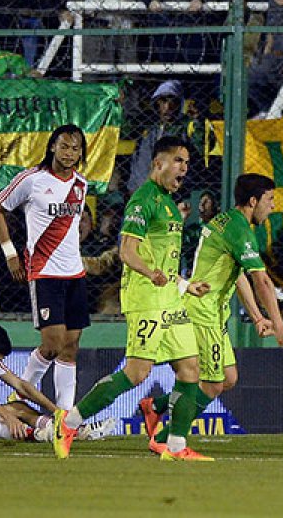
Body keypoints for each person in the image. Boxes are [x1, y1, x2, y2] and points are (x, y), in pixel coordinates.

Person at [50, 136, 212, 461]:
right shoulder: (143, 200)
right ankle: (68, 422)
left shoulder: (168, 202)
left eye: (186, 163)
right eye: (178, 160)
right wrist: (151, 273)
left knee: (191, 368)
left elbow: (163, 260)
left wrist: (184, 285)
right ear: (158, 163)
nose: (184, 168)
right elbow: (127, 252)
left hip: (170, 300)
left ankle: (175, 446)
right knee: (137, 373)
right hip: (146, 300)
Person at [141, 174, 283, 453]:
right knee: (212, 385)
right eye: (270, 199)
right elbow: (262, 281)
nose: (273, 206)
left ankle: (155, 406)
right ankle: (165, 439)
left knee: (228, 378)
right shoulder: (239, 230)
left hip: (214, 312)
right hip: (203, 312)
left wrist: (258, 317)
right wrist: (279, 325)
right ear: (253, 201)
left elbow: (238, 277)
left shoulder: (229, 222)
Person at [0, 124, 91, 411]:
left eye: (75, 148)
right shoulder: (32, 179)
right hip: (45, 273)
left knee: (71, 347)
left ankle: (65, 418)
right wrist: (10, 253)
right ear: (52, 147)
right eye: (64, 146)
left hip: (75, 274)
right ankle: (18, 398)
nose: (69, 153)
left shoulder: (81, 185)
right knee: (53, 344)